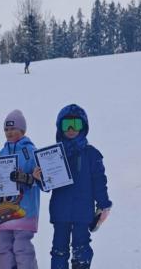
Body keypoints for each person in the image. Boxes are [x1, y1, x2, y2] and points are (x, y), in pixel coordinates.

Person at [33, 104, 112, 269]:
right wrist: (40, 178)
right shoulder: (53, 155)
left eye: (75, 124)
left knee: (81, 248)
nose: (70, 129)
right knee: (59, 250)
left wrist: (103, 204)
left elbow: (99, 181)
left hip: (83, 212)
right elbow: (47, 186)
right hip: (60, 211)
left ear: (83, 127)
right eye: (66, 124)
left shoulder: (91, 154)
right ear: (60, 127)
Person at [0, 110, 40, 269]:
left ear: (22, 130)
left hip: (24, 208)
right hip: (2, 208)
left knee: (21, 246)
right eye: (6, 129)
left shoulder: (30, 151)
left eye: (13, 129)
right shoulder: (2, 151)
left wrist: (26, 178)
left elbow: (41, 179)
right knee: (3, 247)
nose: (9, 132)